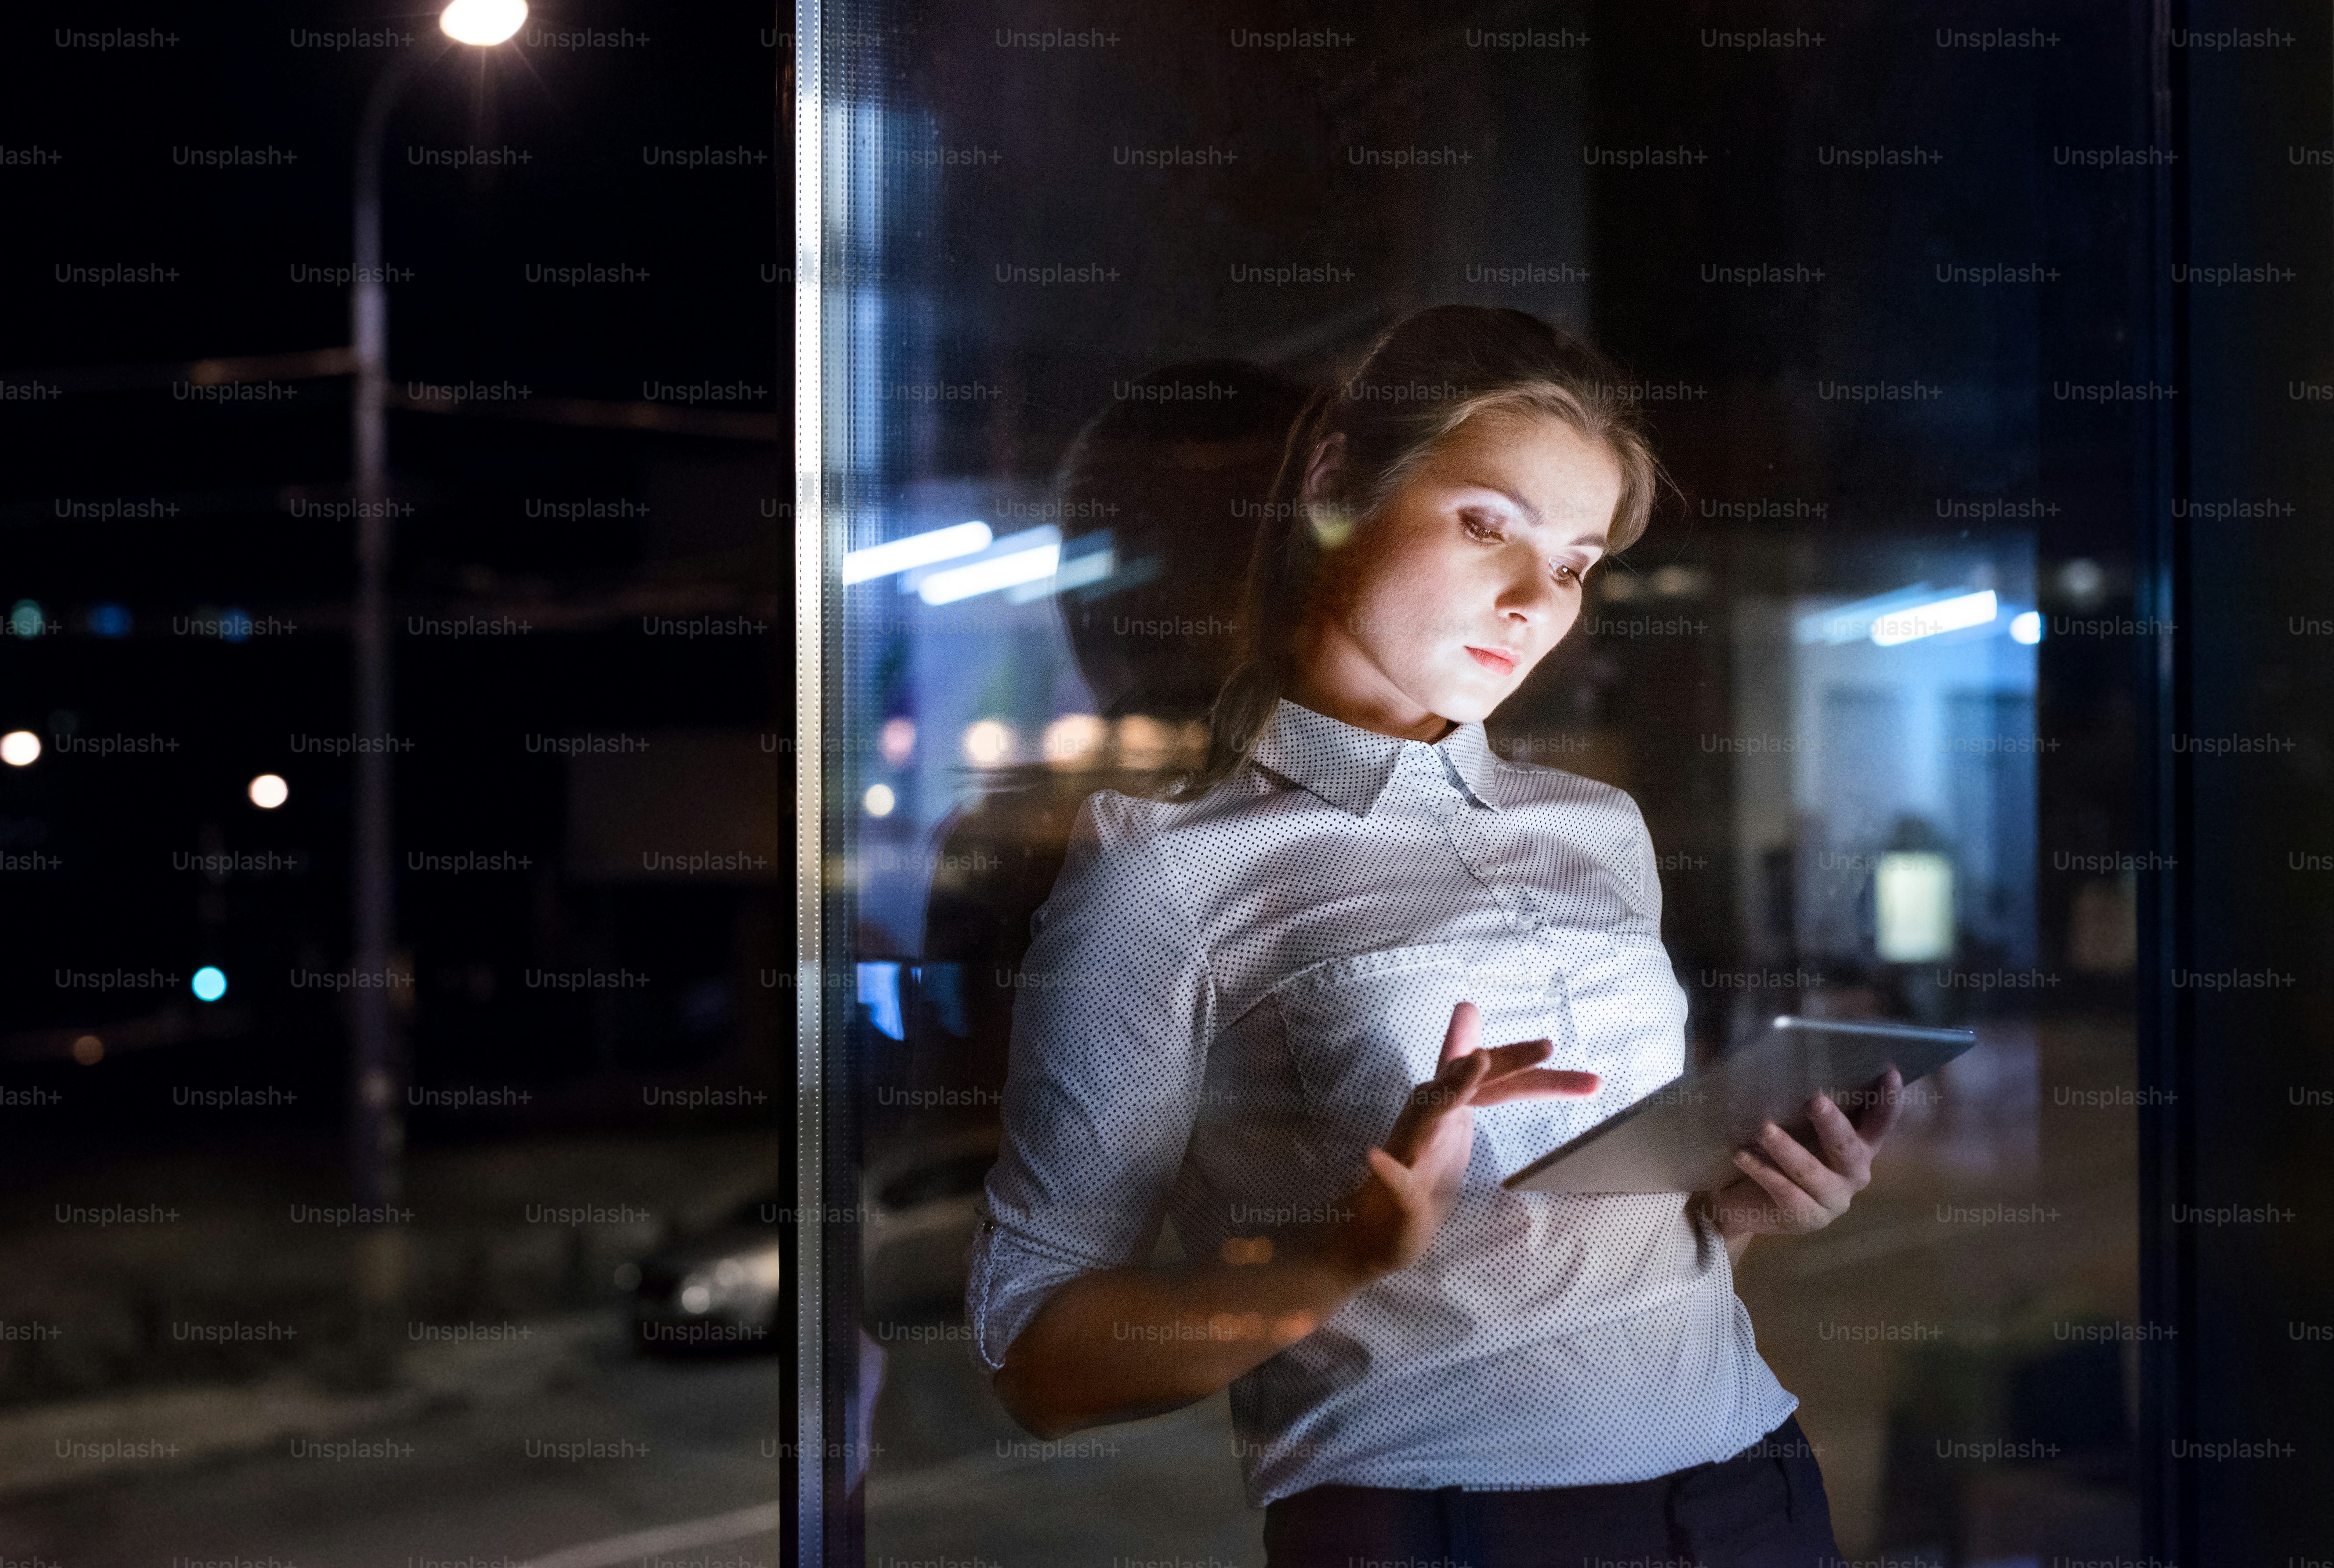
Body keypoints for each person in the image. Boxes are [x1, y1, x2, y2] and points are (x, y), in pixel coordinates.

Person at [967, 306, 1902, 1567]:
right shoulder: (1167, 880)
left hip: (1753, 1492)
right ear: (1338, 484)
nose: (1533, 601)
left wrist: (1746, 1198)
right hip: (1440, 1528)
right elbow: (1037, 1352)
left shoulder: (1596, 829)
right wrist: (1334, 1260)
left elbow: (1599, 1222)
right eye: (1486, 527)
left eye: (1573, 564)